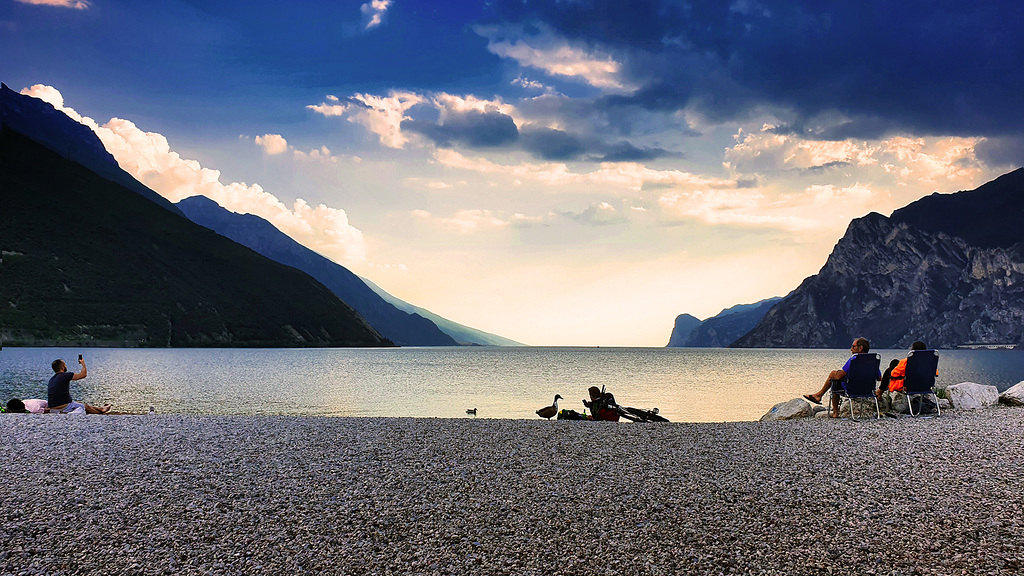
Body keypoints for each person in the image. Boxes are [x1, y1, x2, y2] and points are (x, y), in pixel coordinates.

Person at [802, 337, 880, 418]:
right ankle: (818, 395)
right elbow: (879, 378)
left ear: (860, 348)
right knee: (836, 376)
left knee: (834, 377)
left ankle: (830, 407)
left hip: (852, 390)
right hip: (868, 390)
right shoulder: (873, 362)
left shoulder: (854, 360)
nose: (851, 349)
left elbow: (839, 376)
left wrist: (838, 373)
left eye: (853, 347)